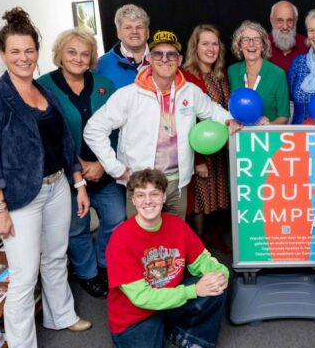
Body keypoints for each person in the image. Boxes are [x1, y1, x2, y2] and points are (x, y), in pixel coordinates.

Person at [0, 8, 92, 348]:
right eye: (15, 51)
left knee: (56, 257)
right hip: (20, 199)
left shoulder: (43, 90)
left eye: (29, 50)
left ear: (37, 51)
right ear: (3, 54)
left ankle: (62, 315)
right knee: (23, 280)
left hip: (57, 186)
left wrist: (78, 183)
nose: (23, 57)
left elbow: (63, 143)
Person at [84, 30, 242, 218]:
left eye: (171, 54)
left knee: (173, 239)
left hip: (177, 183)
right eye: (158, 54)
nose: (165, 59)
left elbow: (212, 109)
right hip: (142, 185)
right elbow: (93, 129)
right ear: (150, 58)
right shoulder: (129, 95)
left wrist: (229, 118)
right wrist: (115, 168)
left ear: (180, 59)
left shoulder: (190, 91)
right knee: (142, 241)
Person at [106, 168, 228, 348]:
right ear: (133, 200)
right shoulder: (121, 239)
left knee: (215, 286)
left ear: (164, 196)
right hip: (134, 317)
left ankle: (184, 333)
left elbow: (204, 261)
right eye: (141, 195)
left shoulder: (176, 225)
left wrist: (220, 275)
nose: (148, 201)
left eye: (154, 194)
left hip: (170, 299)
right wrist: (193, 290)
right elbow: (141, 298)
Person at [38, 28, 125, 299]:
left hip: (104, 168)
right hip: (67, 173)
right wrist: (78, 166)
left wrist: (101, 163)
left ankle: (103, 263)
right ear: (60, 54)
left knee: (116, 218)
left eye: (85, 54)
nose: (78, 58)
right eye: (72, 52)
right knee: (77, 226)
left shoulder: (104, 85)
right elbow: (47, 135)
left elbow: (118, 130)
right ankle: (87, 272)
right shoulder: (44, 86)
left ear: (92, 58)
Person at [180, 24, 233, 254]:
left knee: (219, 197)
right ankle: (198, 246)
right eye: (205, 43)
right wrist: (198, 159)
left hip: (220, 149)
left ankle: (214, 239)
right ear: (195, 46)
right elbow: (187, 121)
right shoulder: (186, 76)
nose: (210, 48)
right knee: (201, 200)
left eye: (215, 43)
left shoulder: (221, 75)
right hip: (199, 149)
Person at [228, 20, 290, 124]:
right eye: (245, 40)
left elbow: (284, 116)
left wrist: (268, 126)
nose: (251, 44)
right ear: (239, 46)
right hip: (239, 135)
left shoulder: (278, 74)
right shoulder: (232, 71)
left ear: (263, 46)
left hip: (267, 137)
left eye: (257, 40)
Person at [97, 4, 150, 89]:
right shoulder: (101, 64)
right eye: (128, 27)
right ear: (118, 32)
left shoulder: (164, 61)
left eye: (139, 27)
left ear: (147, 32)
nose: (134, 31)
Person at [268, 0, 309, 73]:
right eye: (280, 20)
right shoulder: (262, 45)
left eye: (289, 20)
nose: (285, 26)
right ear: (272, 21)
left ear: (295, 21)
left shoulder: (307, 45)